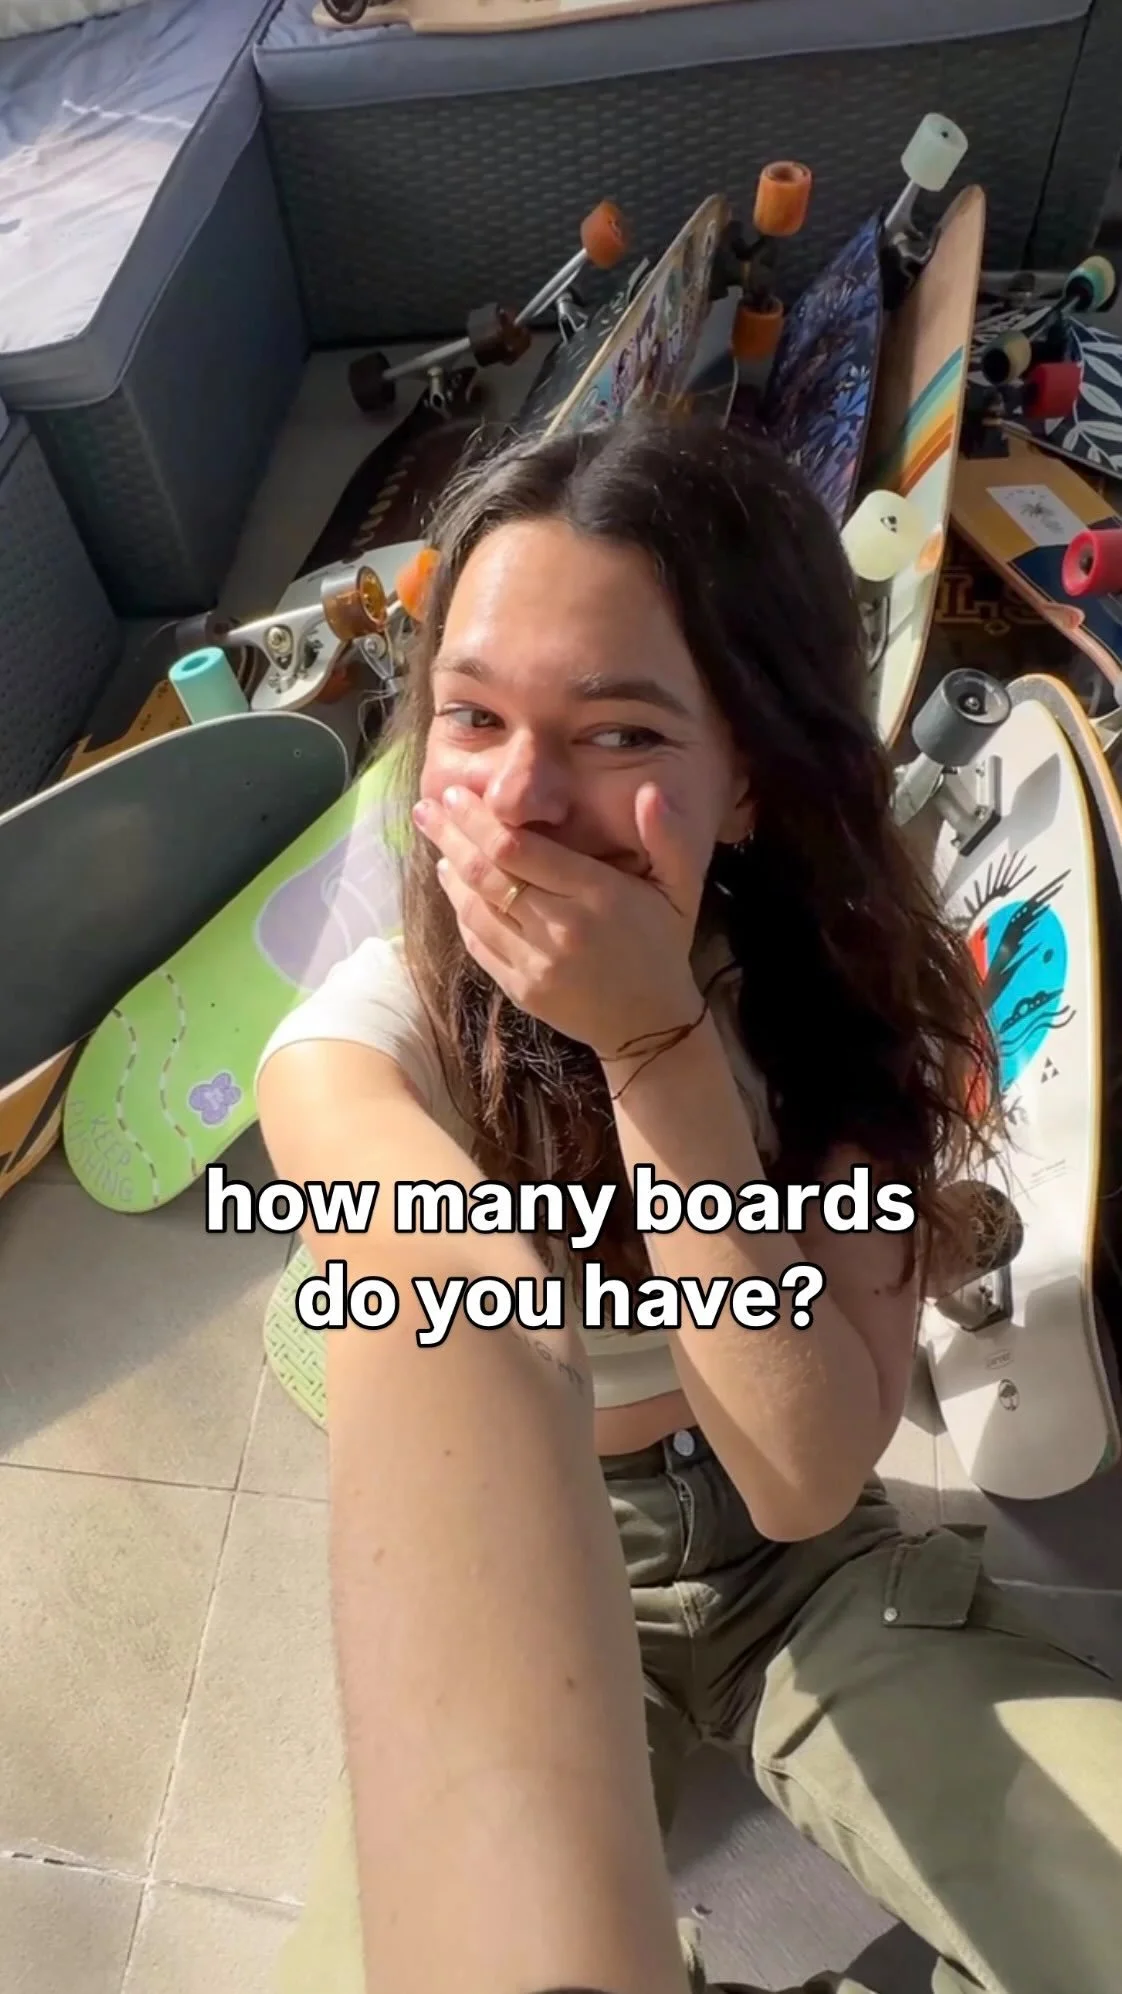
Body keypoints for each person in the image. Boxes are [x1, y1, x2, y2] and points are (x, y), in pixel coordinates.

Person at [256, 408, 1122, 1994]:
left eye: (618, 735)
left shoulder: (844, 1003)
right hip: (542, 1533)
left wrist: (653, 1046)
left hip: (799, 1557)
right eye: (473, 717)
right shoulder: (364, 1042)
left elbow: (797, 1474)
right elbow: (466, 1319)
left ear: (745, 782)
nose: (521, 799)